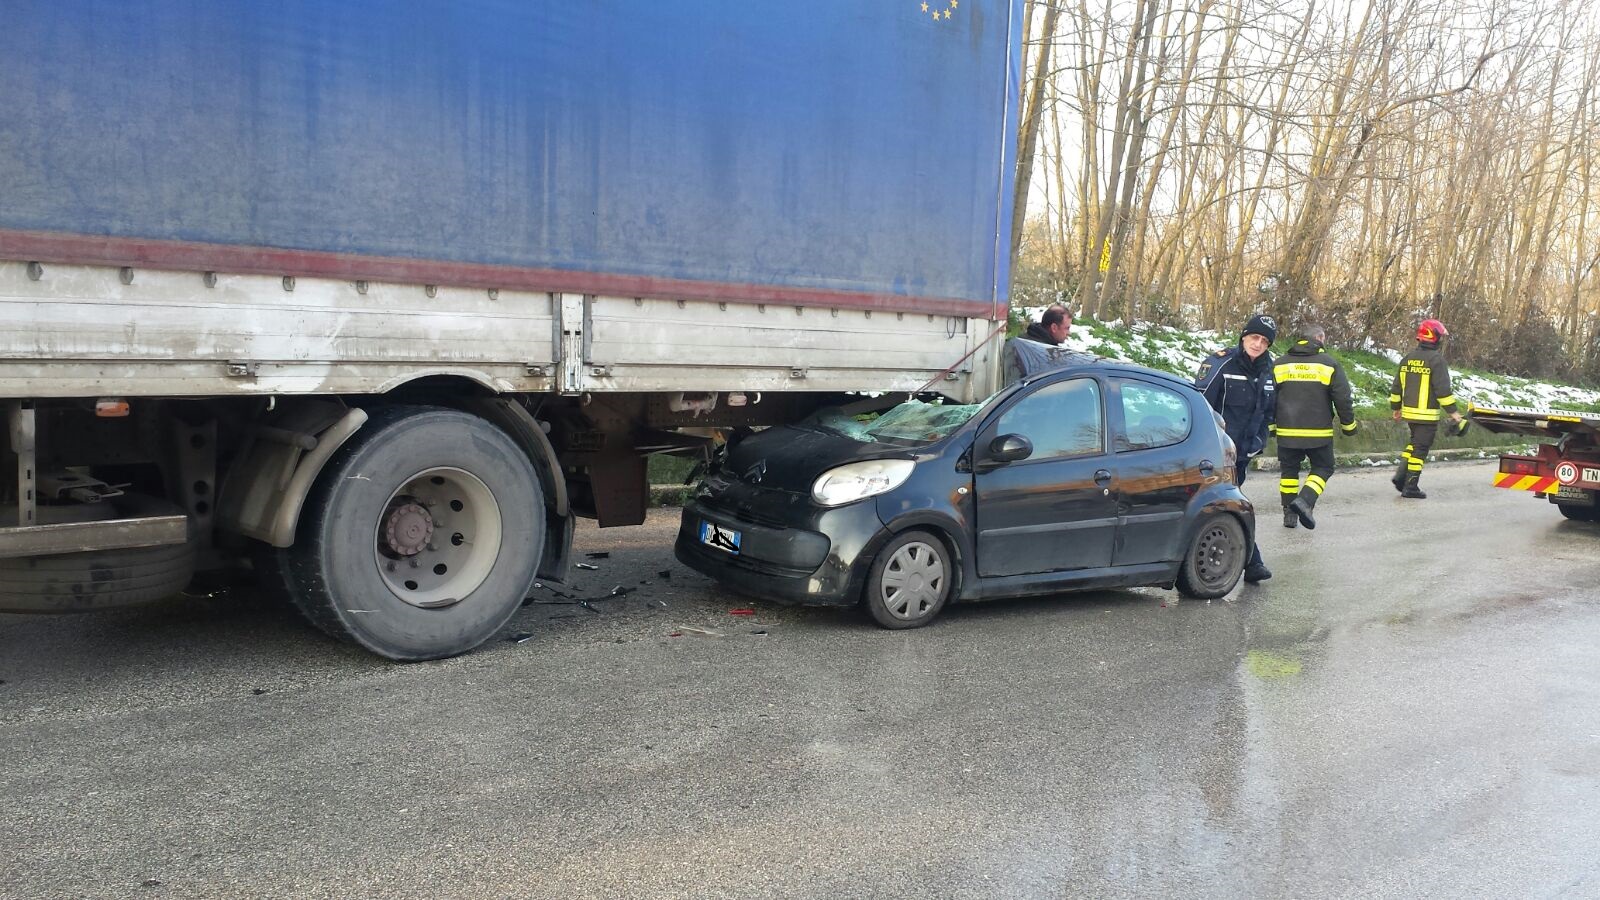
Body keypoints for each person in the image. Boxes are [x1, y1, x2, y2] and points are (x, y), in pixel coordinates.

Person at [1194, 313, 1277, 582]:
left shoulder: (1268, 370)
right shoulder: (1222, 363)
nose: (1258, 344)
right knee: (1226, 506)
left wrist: (1257, 443)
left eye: (1264, 341)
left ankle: (1245, 562)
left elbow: (1268, 412)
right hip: (1213, 453)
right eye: (1255, 337)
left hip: (1241, 455)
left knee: (1230, 506)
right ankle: (1250, 563)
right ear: (1244, 337)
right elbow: (1200, 406)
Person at [1272, 324, 1357, 530]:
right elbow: (1342, 398)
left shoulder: (1280, 364)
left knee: (1289, 472)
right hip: (1318, 433)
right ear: (1320, 338)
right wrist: (1348, 426)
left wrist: (1271, 427)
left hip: (1286, 431)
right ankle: (1305, 500)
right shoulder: (1329, 364)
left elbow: (1268, 398)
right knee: (1323, 467)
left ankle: (1289, 515)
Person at [1389, 318, 1464, 499]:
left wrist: (1396, 408)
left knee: (1415, 444)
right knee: (1420, 450)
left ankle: (1401, 477)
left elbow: (1396, 387)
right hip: (1427, 416)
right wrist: (1454, 413)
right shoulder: (1436, 361)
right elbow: (1443, 391)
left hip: (1410, 414)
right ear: (1434, 337)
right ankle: (1410, 486)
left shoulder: (1407, 359)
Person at [1004, 304, 1089, 383]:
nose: (1069, 333)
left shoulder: (1030, 343)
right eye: (1067, 328)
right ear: (1054, 327)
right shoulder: (1039, 352)